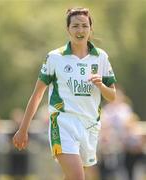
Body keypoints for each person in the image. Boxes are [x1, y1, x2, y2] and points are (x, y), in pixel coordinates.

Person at [13, 7, 117, 180]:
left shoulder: (101, 57)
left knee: (72, 177)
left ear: (91, 28)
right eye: (75, 26)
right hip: (63, 123)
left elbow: (112, 96)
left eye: (84, 25)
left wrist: (101, 85)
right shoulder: (55, 57)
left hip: (90, 125)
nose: (80, 30)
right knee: (78, 176)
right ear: (67, 29)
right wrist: (23, 129)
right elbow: (38, 94)